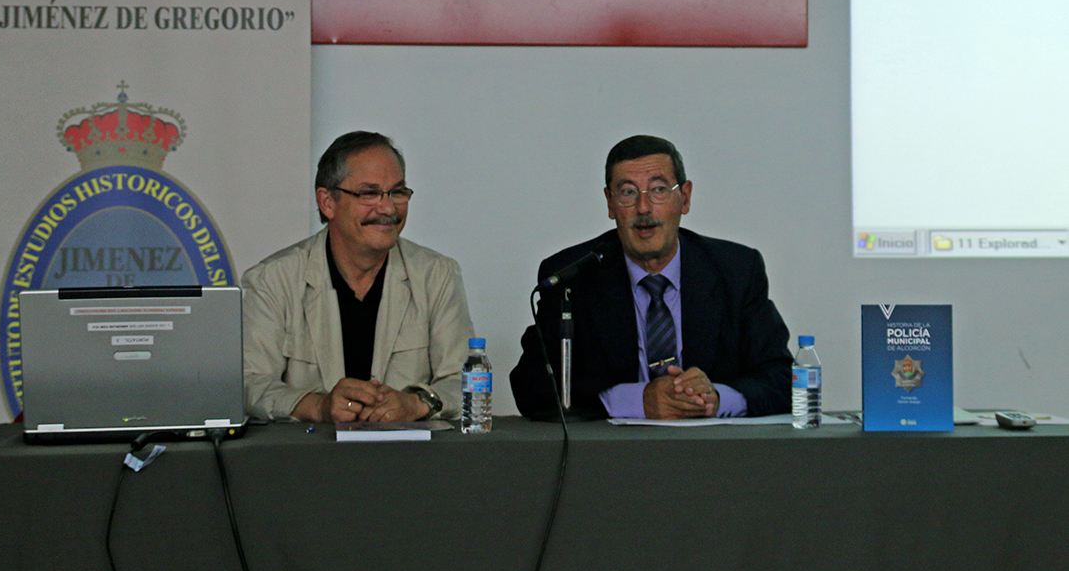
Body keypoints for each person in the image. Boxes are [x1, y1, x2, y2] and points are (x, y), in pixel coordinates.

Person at [510, 134, 792, 420]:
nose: (643, 208)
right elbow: (532, 386)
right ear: (610, 202)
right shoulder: (572, 276)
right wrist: (636, 400)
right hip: (609, 457)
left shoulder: (737, 270)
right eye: (628, 192)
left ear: (685, 197)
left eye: (658, 190)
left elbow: (782, 379)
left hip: (714, 454)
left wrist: (716, 398)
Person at [242, 131, 474, 422]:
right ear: (327, 202)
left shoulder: (436, 275)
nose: (388, 208)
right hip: (306, 460)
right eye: (369, 193)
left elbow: (467, 381)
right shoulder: (272, 279)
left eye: (397, 192)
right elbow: (249, 383)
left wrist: (417, 403)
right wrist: (318, 407)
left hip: (410, 459)